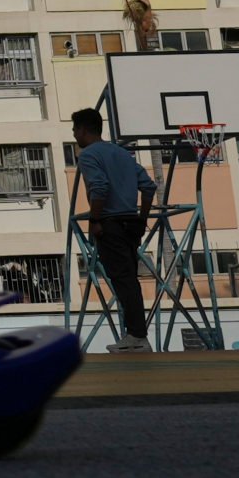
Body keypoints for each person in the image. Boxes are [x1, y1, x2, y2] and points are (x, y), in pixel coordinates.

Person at [70, 108, 156, 349]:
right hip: (130, 223)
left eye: (75, 129)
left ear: (84, 129)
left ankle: (137, 336)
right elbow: (148, 187)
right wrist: (142, 218)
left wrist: (95, 220)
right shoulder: (122, 154)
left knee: (122, 280)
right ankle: (136, 334)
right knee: (130, 279)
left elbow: (99, 188)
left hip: (111, 224)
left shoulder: (88, 156)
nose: (75, 134)